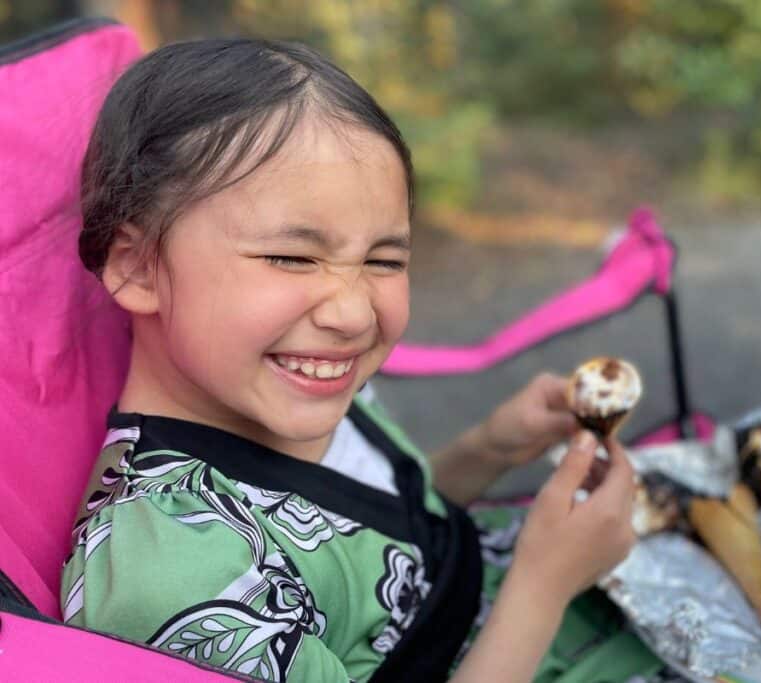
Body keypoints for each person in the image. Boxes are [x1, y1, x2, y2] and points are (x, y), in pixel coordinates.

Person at [62, 37, 644, 683]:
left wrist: (491, 448)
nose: (354, 313)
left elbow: (375, 542)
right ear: (138, 267)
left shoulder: (297, 382)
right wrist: (543, 586)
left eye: (384, 260)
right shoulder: (175, 579)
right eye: (292, 256)